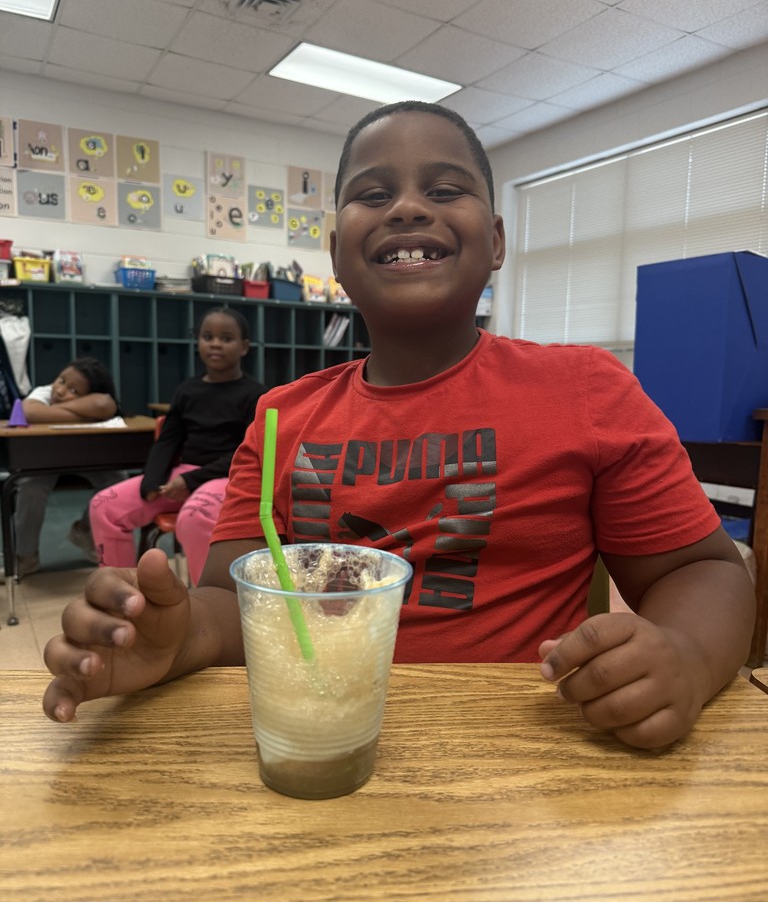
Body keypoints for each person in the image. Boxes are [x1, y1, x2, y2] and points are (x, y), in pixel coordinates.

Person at [43, 102, 755, 751]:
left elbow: (703, 573)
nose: (409, 207)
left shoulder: (586, 389)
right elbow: (234, 603)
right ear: (335, 251)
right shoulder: (280, 416)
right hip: (320, 741)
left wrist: (684, 656)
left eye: (445, 190)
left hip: (524, 759)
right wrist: (178, 636)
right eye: (373, 194)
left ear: (497, 241)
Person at [88, 306, 264, 587]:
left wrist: (190, 481)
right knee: (104, 506)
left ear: (244, 347)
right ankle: (122, 592)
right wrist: (152, 481)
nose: (215, 343)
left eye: (226, 338)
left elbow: (248, 454)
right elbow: (168, 440)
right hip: (182, 476)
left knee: (195, 518)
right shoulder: (187, 390)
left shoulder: (257, 395)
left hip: (226, 479)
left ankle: (207, 605)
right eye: (208, 336)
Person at [13, 357, 122, 578]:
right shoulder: (43, 392)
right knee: (30, 488)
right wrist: (83, 412)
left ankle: (84, 528)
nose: (60, 390)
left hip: (85, 456)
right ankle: (26, 556)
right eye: (61, 380)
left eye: (73, 389)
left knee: (118, 481)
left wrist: (59, 411)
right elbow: (30, 412)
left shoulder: (98, 400)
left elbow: (104, 405)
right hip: (45, 460)